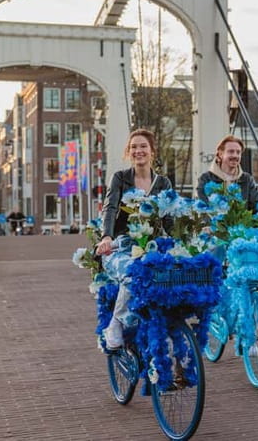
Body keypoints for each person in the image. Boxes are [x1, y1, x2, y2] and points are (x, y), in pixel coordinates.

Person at [95, 128, 173, 349]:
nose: (138, 151)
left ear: (152, 151)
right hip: (121, 246)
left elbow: (169, 219)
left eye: (143, 146)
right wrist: (106, 237)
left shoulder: (163, 183)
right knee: (132, 273)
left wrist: (185, 242)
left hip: (151, 247)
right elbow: (110, 208)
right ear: (128, 152)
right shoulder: (120, 178)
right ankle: (116, 323)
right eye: (134, 147)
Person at [196, 135, 258, 212]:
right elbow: (204, 208)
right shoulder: (206, 179)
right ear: (220, 154)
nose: (235, 155)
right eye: (231, 151)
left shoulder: (247, 179)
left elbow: (256, 208)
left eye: (238, 152)